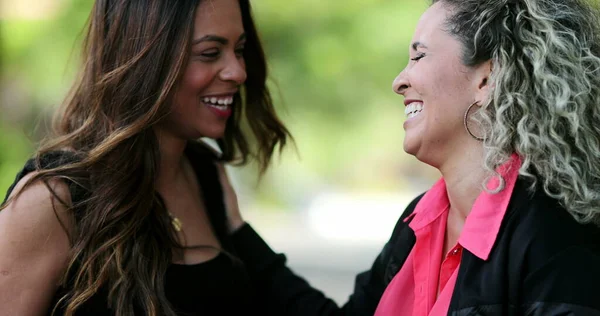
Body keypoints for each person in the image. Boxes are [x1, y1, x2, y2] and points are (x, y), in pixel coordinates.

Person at [219, 0, 600, 314]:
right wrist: (238, 229)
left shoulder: (555, 233)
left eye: (418, 57)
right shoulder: (420, 220)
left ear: (487, 79)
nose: (399, 81)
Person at [0, 0, 291, 315]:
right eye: (210, 53)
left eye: (239, 50)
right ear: (144, 59)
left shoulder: (206, 175)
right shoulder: (53, 200)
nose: (238, 71)